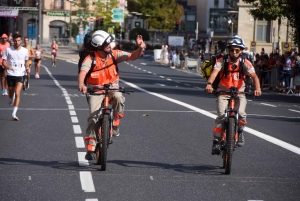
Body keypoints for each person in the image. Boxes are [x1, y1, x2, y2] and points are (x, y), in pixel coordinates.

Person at [78, 30, 146, 160]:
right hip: (96, 91)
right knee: (93, 117)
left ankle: (115, 124)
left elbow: (132, 56)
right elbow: (82, 72)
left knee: (119, 97)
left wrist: (139, 48)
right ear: (99, 46)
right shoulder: (90, 59)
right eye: (107, 44)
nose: (111, 45)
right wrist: (81, 84)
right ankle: (91, 146)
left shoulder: (114, 55)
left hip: (112, 88)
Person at [205, 35, 261, 155]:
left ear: (241, 51)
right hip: (223, 92)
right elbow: (214, 73)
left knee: (241, 114)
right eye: (232, 50)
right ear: (228, 50)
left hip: (239, 92)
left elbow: (254, 76)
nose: (234, 53)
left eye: (237, 50)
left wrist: (258, 88)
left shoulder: (244, 62)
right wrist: (209, 84)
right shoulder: (222, 61)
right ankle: (216, 141)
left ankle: (240, 132)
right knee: (220, 115)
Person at [2, 33, 29, 121]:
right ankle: (10, 98)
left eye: (18, 40)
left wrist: (28, 67)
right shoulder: (8, 50)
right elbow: (3, 62)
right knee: (11, 92)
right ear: (13, 41)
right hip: (11, 74)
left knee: (17, 93)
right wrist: (7, 67)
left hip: (21, 74)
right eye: (15, 40)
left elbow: (26, 61)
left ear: (21, 41)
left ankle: (14, 113)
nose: (17, 42)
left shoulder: (25, 51)